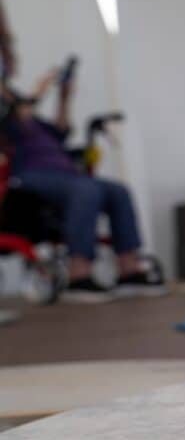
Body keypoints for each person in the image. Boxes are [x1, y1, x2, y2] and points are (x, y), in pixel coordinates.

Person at [1, 69, 164, 301]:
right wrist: (39, 90)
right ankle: (78, 273)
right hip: (28, 177)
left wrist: (64, 96)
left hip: (66, 176)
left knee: (118, 191)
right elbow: (16, 114)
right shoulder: (8, 124)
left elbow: (62, 130)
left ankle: (128, 269)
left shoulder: (38, 125)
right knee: (85, 189)